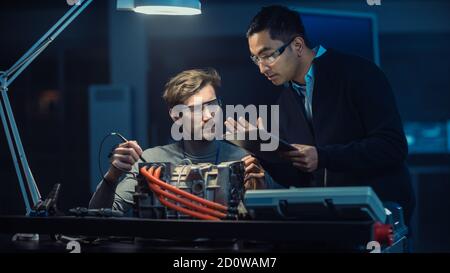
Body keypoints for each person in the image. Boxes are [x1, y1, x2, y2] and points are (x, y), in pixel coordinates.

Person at [239, 5, 415, 223]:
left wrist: (322, 156)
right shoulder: (285, 103)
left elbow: (393, 146)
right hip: (331, 219)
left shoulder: (359, 74)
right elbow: (302, 178)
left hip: (379, 214)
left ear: (297, 45)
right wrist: (263, 151)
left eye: (268, 56)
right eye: (256, 59)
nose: (262, 68)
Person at [89, 68, 271, 213]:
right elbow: (100, 215)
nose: (209, 116)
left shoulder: (244, 160)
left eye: (213, 105)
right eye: (197, 109)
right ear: (176, 116)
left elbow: (266, 226)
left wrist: (260, 192)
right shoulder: (150, 162)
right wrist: (113, 175)